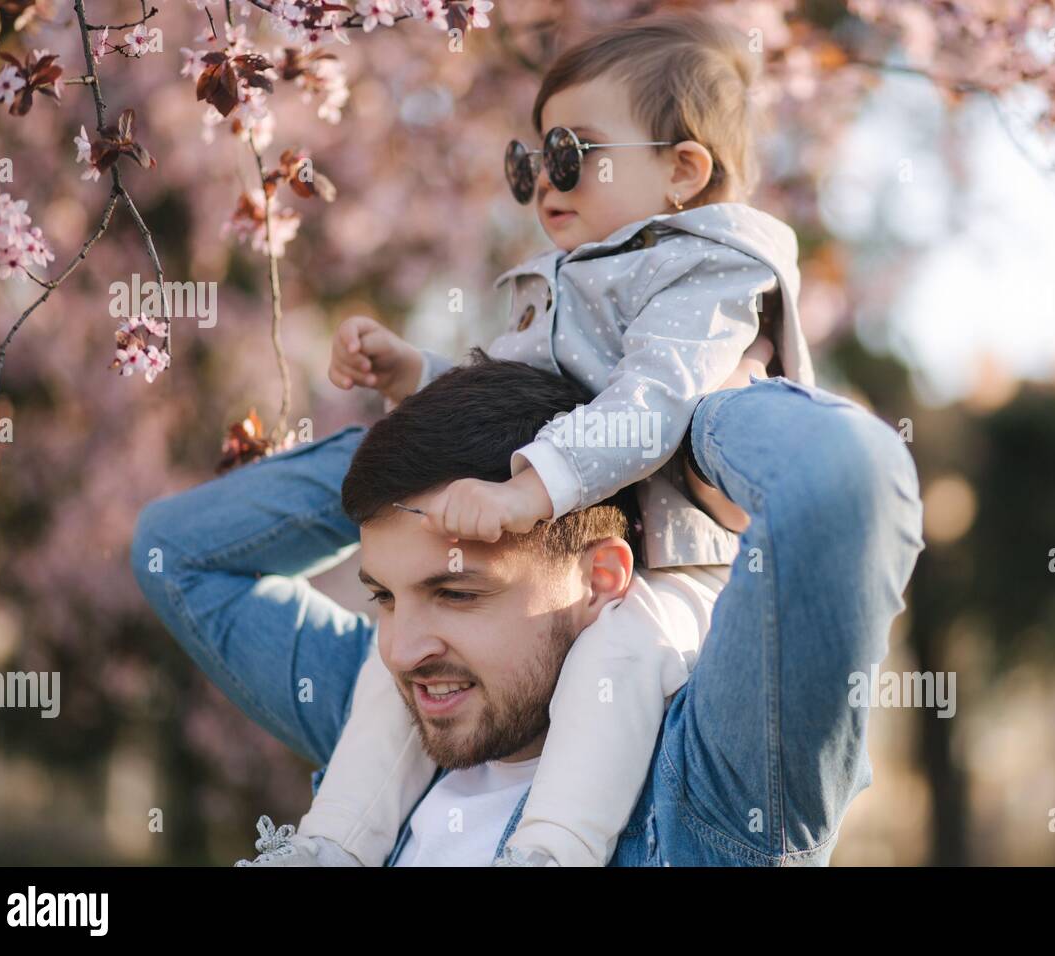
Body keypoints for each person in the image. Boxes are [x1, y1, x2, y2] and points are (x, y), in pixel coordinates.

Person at [263, 10, 821, 867]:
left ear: (683, 170)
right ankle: (330, 845)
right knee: (398, 661)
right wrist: (416, 373)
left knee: (619, 655)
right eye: (530, 161)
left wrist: (526, 492)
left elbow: (653, 400)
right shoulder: (569, 281)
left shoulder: (713, 272)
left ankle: (553, 849)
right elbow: (510, 395)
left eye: (571, 154)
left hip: (690, 568)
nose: (542, 182)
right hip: (585, 553)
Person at [131, 352, 925, 866]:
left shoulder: (714, 784)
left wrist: (676, 418)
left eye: (457, 592)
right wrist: (432, 424)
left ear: (605, 576)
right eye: (383, 596)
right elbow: (175, 554)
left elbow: (841, 479)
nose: (403, 651)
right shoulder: (383, 728)